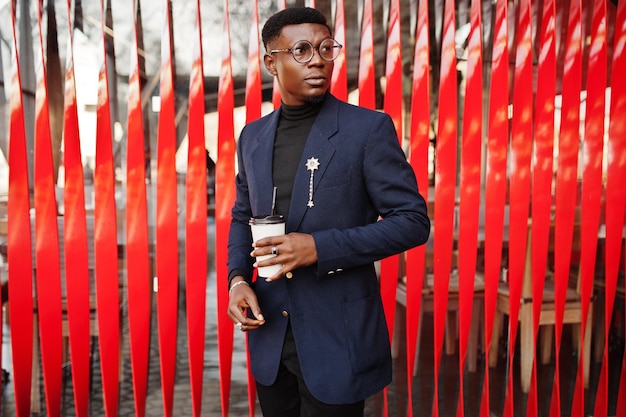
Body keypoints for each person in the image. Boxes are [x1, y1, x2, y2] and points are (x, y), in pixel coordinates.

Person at [227, 7, 430, 417]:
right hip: (269, 334)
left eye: (325, 48)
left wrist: (320, 247)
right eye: (300, 50)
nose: (317, 59)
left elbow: (412, 222)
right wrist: (236, 280)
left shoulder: (367, 130)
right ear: (271, 62)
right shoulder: (253, 136)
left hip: (338, 337)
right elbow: (241, 216)